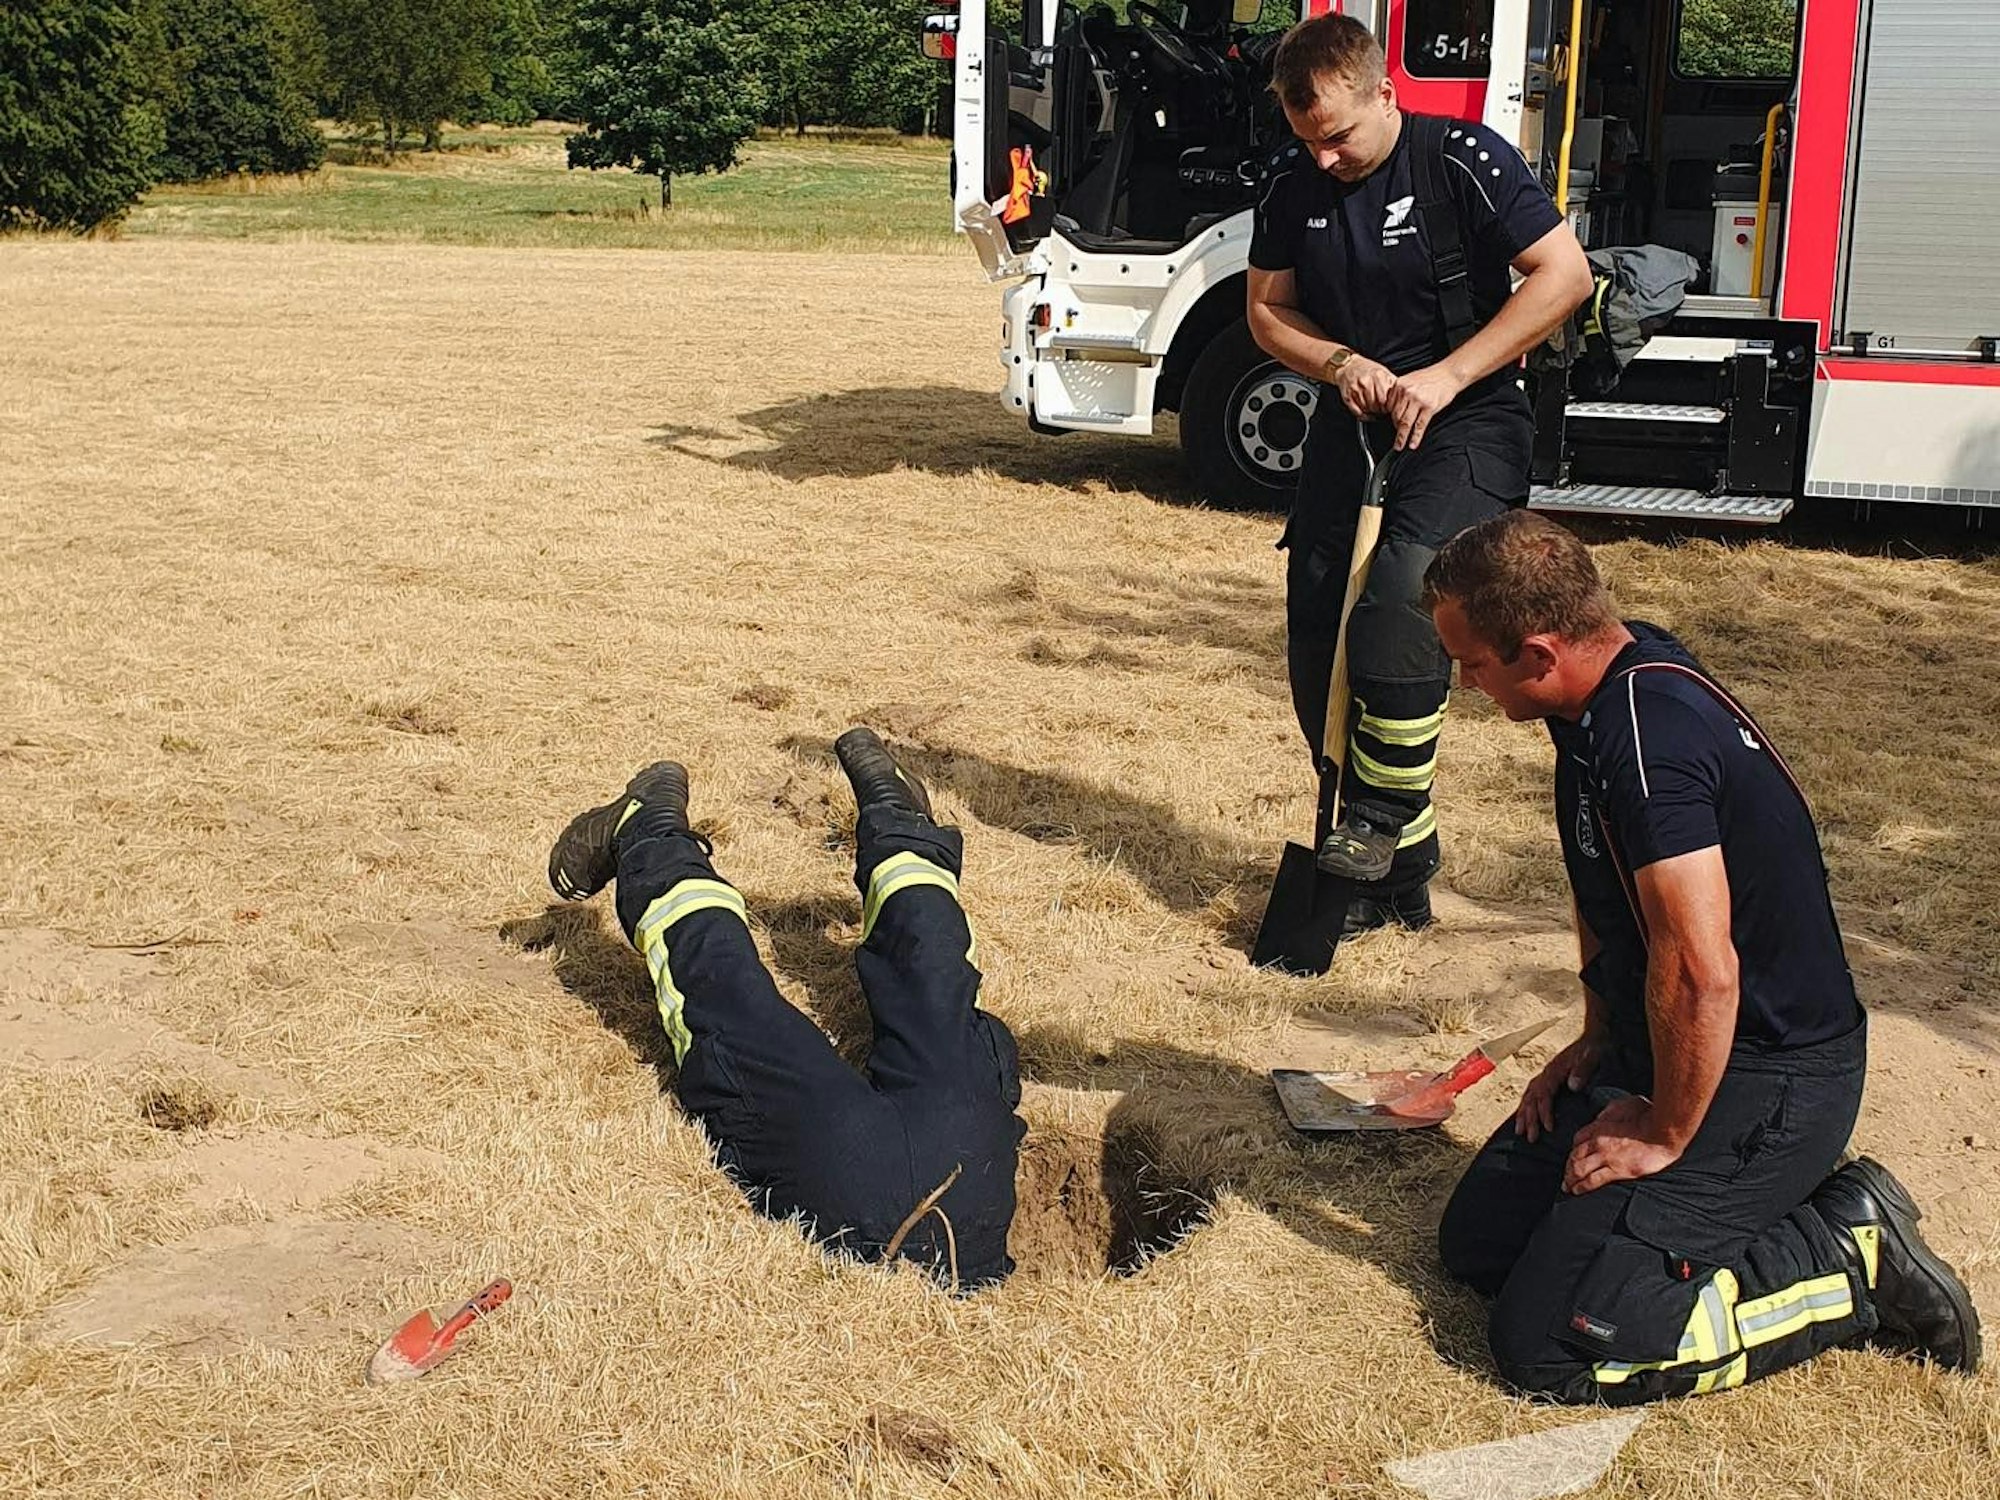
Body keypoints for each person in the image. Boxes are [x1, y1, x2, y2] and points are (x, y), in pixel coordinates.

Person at [1425, 511, 1981, 1402]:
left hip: (1769, 1076)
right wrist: (1598, 1039)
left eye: (1472, 661)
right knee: (1480, 1245)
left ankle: (1846, 1256)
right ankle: (1708, 1212)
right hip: (1670, 1047)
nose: (1462, 681)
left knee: (1550, 1347)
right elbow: (1609, 898)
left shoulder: (1651, 738)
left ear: (1537, 653)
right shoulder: (1600, 694)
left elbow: (1699, 968)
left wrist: (1665, 1131)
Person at [1246, 14, 1593, 934]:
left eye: (1338, 137)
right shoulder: (1292, 184)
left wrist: (1446, 375)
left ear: (1384, 94)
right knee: (1321, 627)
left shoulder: (1463, 161)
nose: (1322, 159)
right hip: (1353, 421)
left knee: (1406, 591)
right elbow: (1267, 311)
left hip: (1468, 414)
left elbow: (1563, 276)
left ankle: (1377, 824)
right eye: (1306, 142)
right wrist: (1336, 364)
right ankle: (1401, 862)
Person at [546, 728, 1025, 1290]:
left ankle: (900, 826)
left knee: (934, 989)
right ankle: (650, 832)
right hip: (894, 1207)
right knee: (736, 1010)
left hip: (952, 1189)